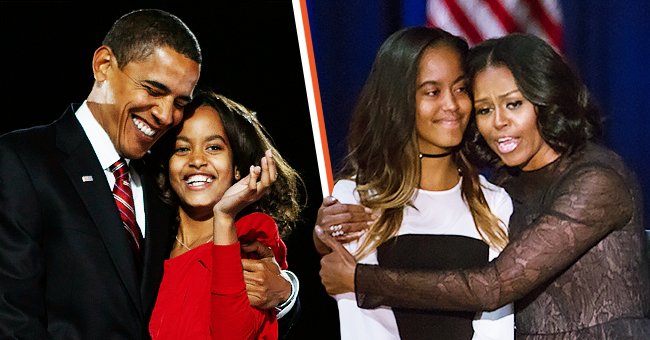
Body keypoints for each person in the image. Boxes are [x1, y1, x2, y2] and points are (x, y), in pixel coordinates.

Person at [315, 33, 650, 339]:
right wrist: (321, 236)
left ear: (546, 98)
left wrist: (359, 280)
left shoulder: (596, 180)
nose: (498, 122)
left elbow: (494, 286)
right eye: (485, 109)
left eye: (514, 104)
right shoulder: (505, 185)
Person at [0, 9, 295, 339]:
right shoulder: (22, 161)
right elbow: (12, 316)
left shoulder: (162, 182)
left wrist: (287, 292)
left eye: (180, 101)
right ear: (104, 66)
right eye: (154, 90)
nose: (166, 115)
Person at [313, 26, 513, 340]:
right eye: (432, 92)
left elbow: (496, 324)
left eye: (460, 89)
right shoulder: (357, 197)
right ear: (400, 100)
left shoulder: (494, 202)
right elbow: (362, 324)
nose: (452, 104)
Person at [148, 90, 303, 339]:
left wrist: (224, 217)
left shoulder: (251, 234)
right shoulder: (149, 236)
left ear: (239, 168)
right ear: (167, 165)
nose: (197, 160)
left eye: (213, 147)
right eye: (182, 149)